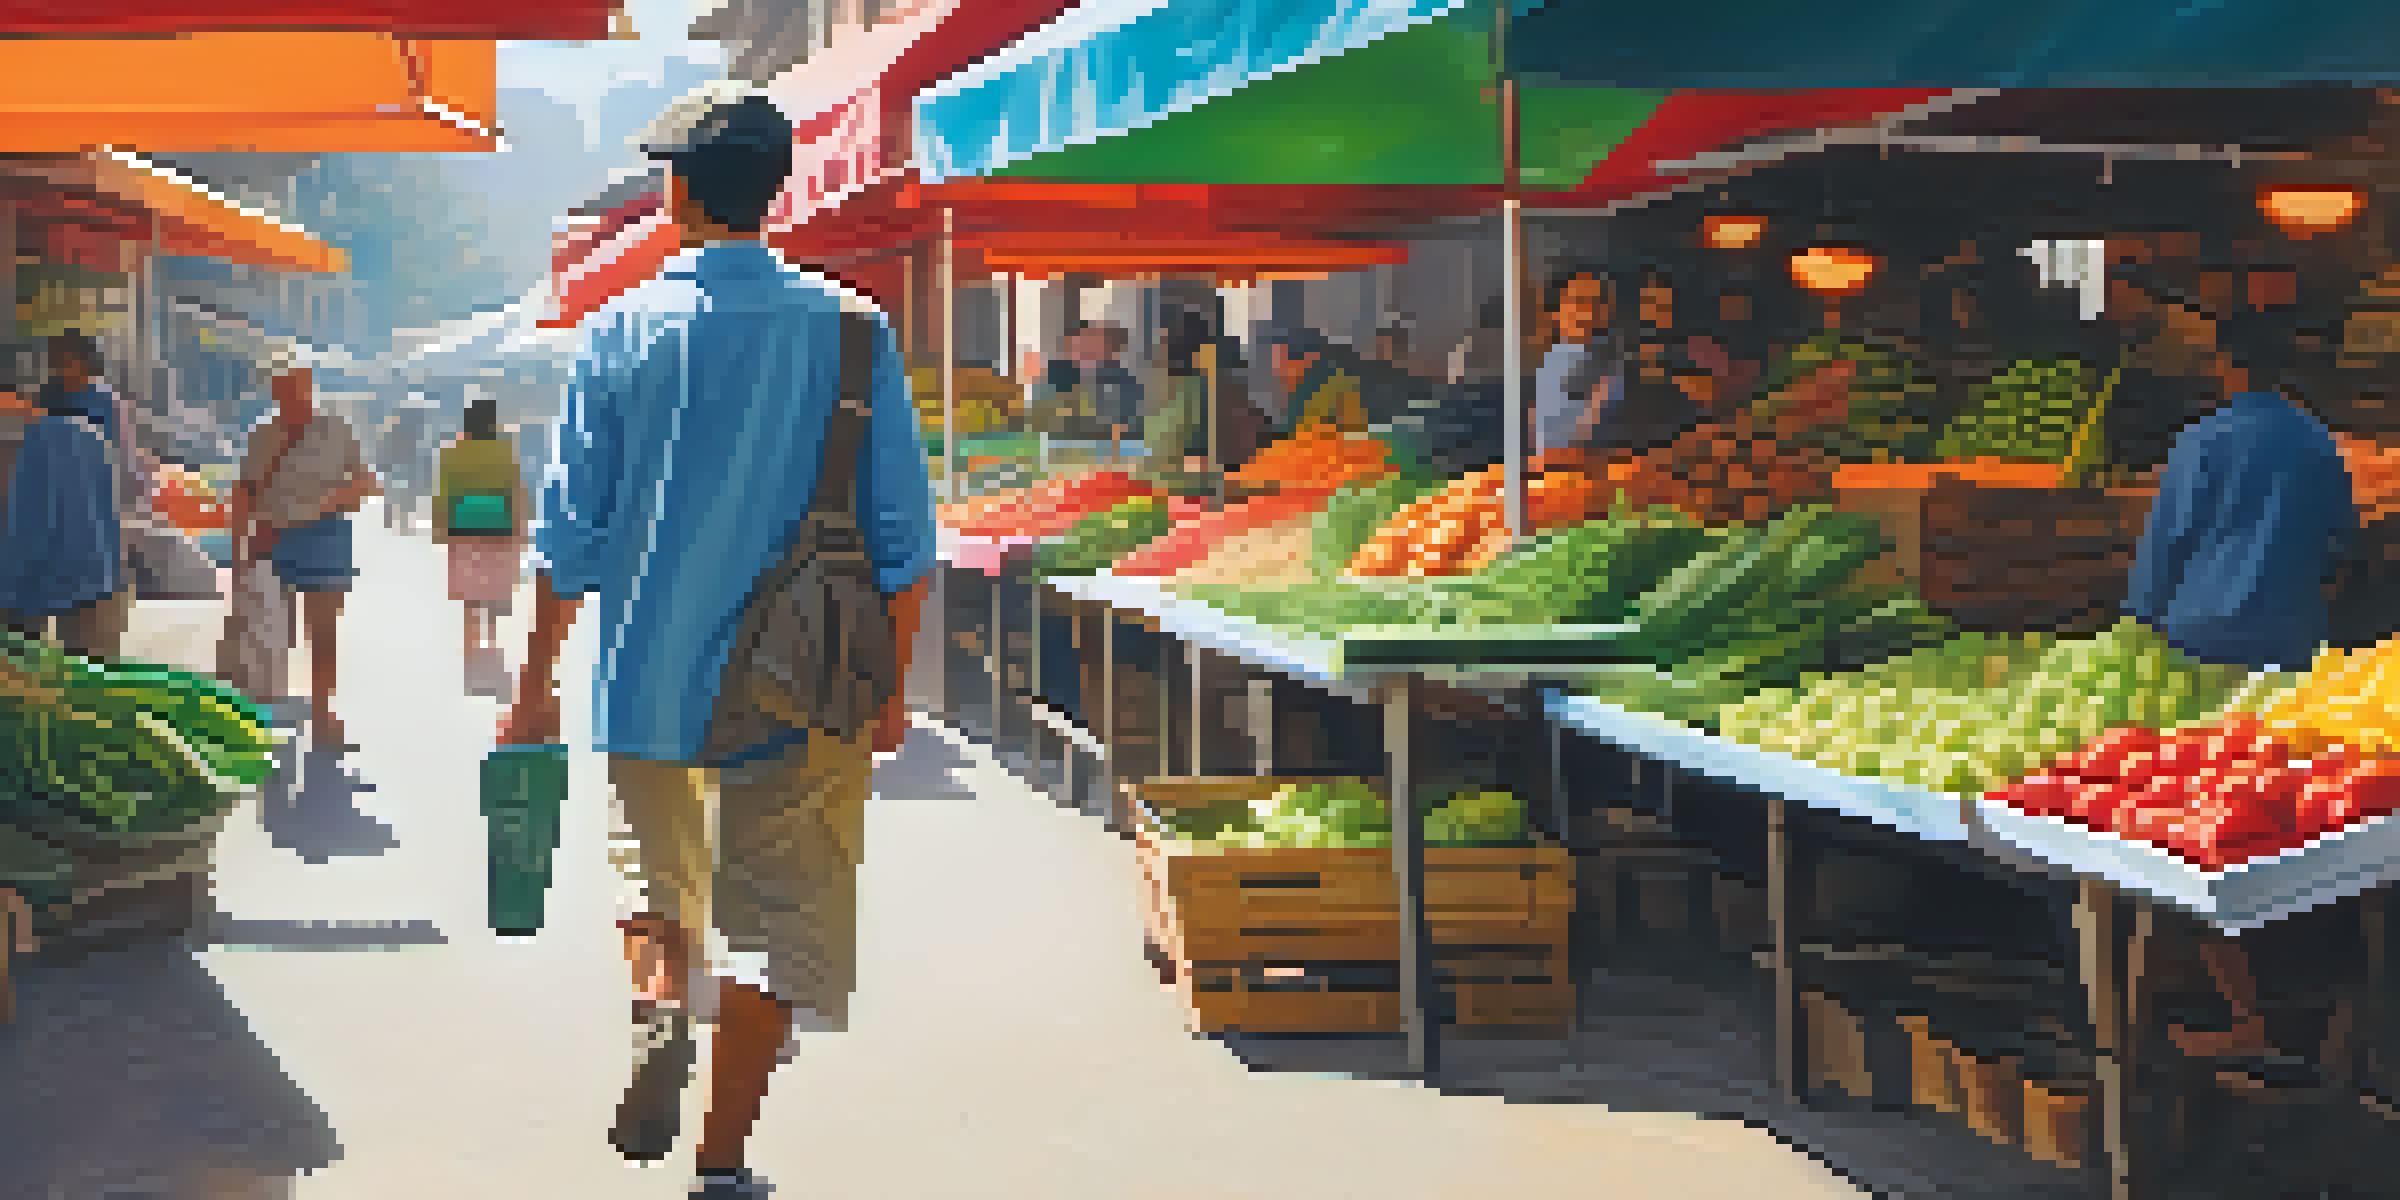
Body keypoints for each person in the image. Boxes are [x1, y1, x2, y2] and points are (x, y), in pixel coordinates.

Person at [498, 84, 935, 1199]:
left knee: (655, 888)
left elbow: (570, 539)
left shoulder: (615, 334)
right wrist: (891, 692)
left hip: (648, 678)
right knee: (778, 921)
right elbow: (902, 542)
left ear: (677, 193)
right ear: (775, 191)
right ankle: (723, 1159)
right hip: (807, 682)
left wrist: (536, 682)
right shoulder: (852, 330)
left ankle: (655, 1006)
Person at [2123, 305, 2363, 1079]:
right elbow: (2342, 540)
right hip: (2289, 646)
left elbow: (2164, 547)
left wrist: (2136, 629)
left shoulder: (2204, 440)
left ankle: (2241, 1011)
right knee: (2282, 818)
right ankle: (2307, 998)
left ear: (2229, 368)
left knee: (2205, 826)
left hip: (2200, 647)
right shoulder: (2313, 440)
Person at [227, 345, 382, 752]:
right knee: (274, 633)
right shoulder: (263, 435)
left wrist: (336, 498)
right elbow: (243, 492)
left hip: (327, 537)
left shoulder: (337, 429)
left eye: (296, 387)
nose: (289, 395)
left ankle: (322, 710)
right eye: (281, 389)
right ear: (274, 392)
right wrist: (238, 552)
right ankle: (270, 708)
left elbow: (366, 482)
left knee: (324, 632)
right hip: (275, 539)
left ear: (310, 386)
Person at [0, 371, 123, 655]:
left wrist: (7, 586)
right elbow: (113, 508)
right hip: (98, 572)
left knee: (20, 672)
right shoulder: (94, 437)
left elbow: (30, 524)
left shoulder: (34, 439)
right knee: (90, 680)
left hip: (37, 579)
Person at [433, 395, 531, 698]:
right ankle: (490, 650)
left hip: (462, 529)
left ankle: (471, 659)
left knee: (470, 598)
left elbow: (444, 494)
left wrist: (440, 528)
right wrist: (520, 530)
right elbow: (515, 491)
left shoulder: (452, 453)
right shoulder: (504, 452)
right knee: (491, 593)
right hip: (497, 528)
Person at [1532, 267, 1624, 459]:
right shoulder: (1554, 364)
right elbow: (1552, 439)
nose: (1589, 313)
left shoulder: (1610, 359)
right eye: (1579, 302)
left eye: (1597, 303)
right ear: (1555, 313)